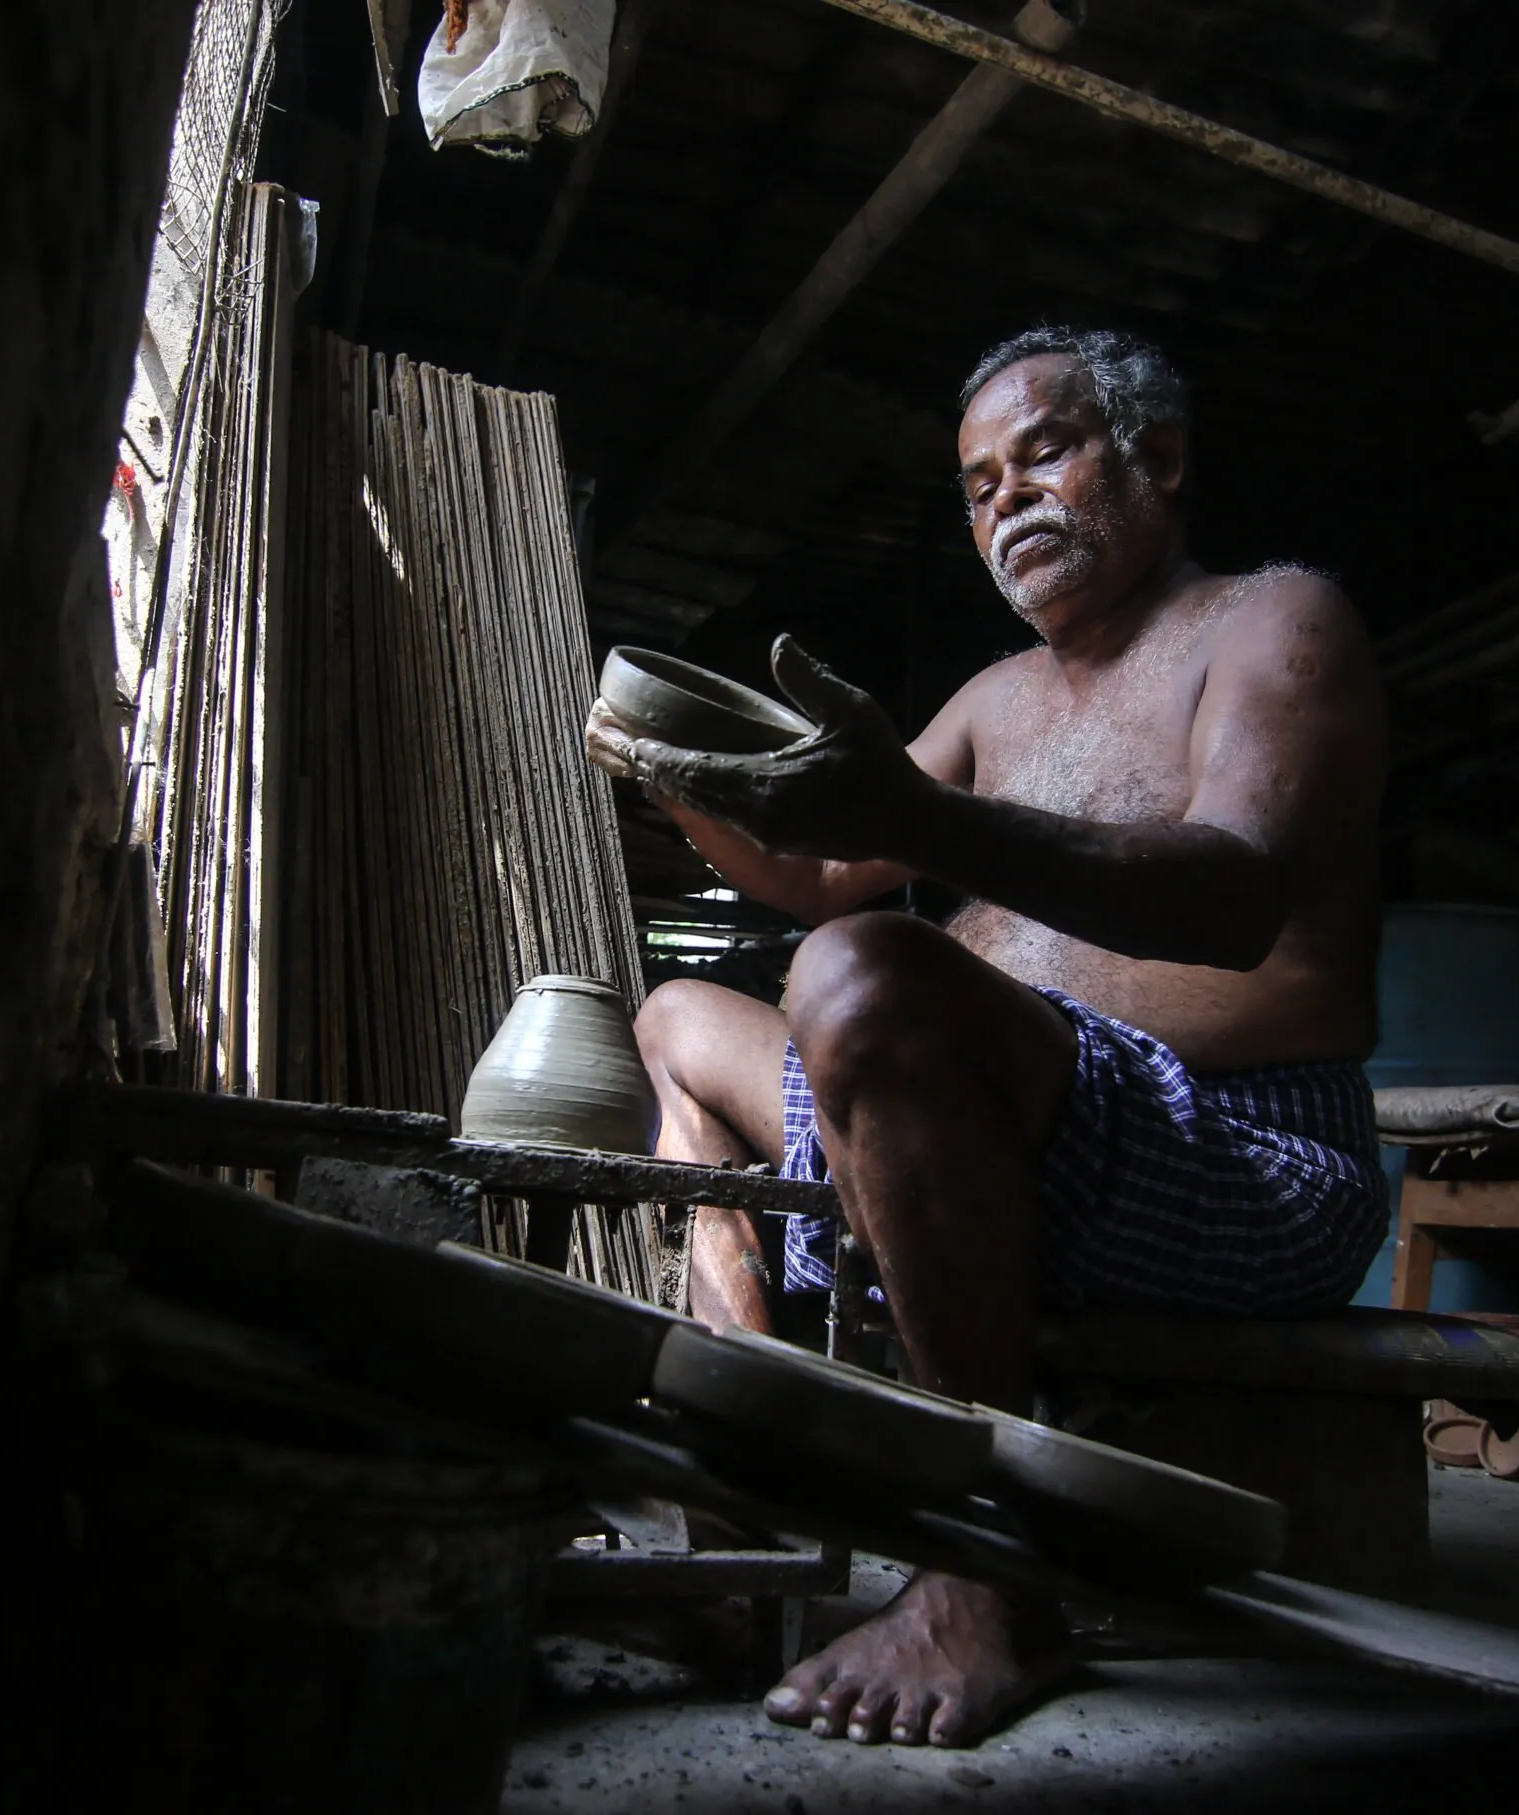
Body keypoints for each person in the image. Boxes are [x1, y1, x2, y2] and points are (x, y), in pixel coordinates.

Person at [583, 324, 1391, 1749]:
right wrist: (686, 786)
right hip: (1000, 1140)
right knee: (672, 1016)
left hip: (1241, 1153)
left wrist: (914, 821)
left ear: (1160, 458)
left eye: (1046, 452)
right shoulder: (993, 699)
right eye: (974, 484)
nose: (1006, 498)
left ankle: (985, 1562)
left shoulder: (1273, 621)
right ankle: (737, 1453)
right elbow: (819, 871)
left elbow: (1237, 890)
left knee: (860, 980)